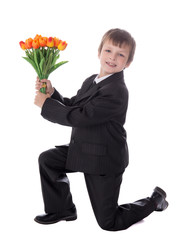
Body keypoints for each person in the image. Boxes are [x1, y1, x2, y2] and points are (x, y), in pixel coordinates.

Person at [34, 28, 168, 231]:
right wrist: (52, 94)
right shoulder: (91, 80)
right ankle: (62, 209)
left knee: (110, 223)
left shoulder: (117, 91)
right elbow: (75, 105)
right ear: (99, 52)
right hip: (84, 150)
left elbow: (81, 117)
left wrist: (46, 106)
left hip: (104, 160)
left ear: (128, 63)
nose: (112, 58)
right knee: (48, 160)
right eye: (108, 51)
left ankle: (154, 201)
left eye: (120, 55)